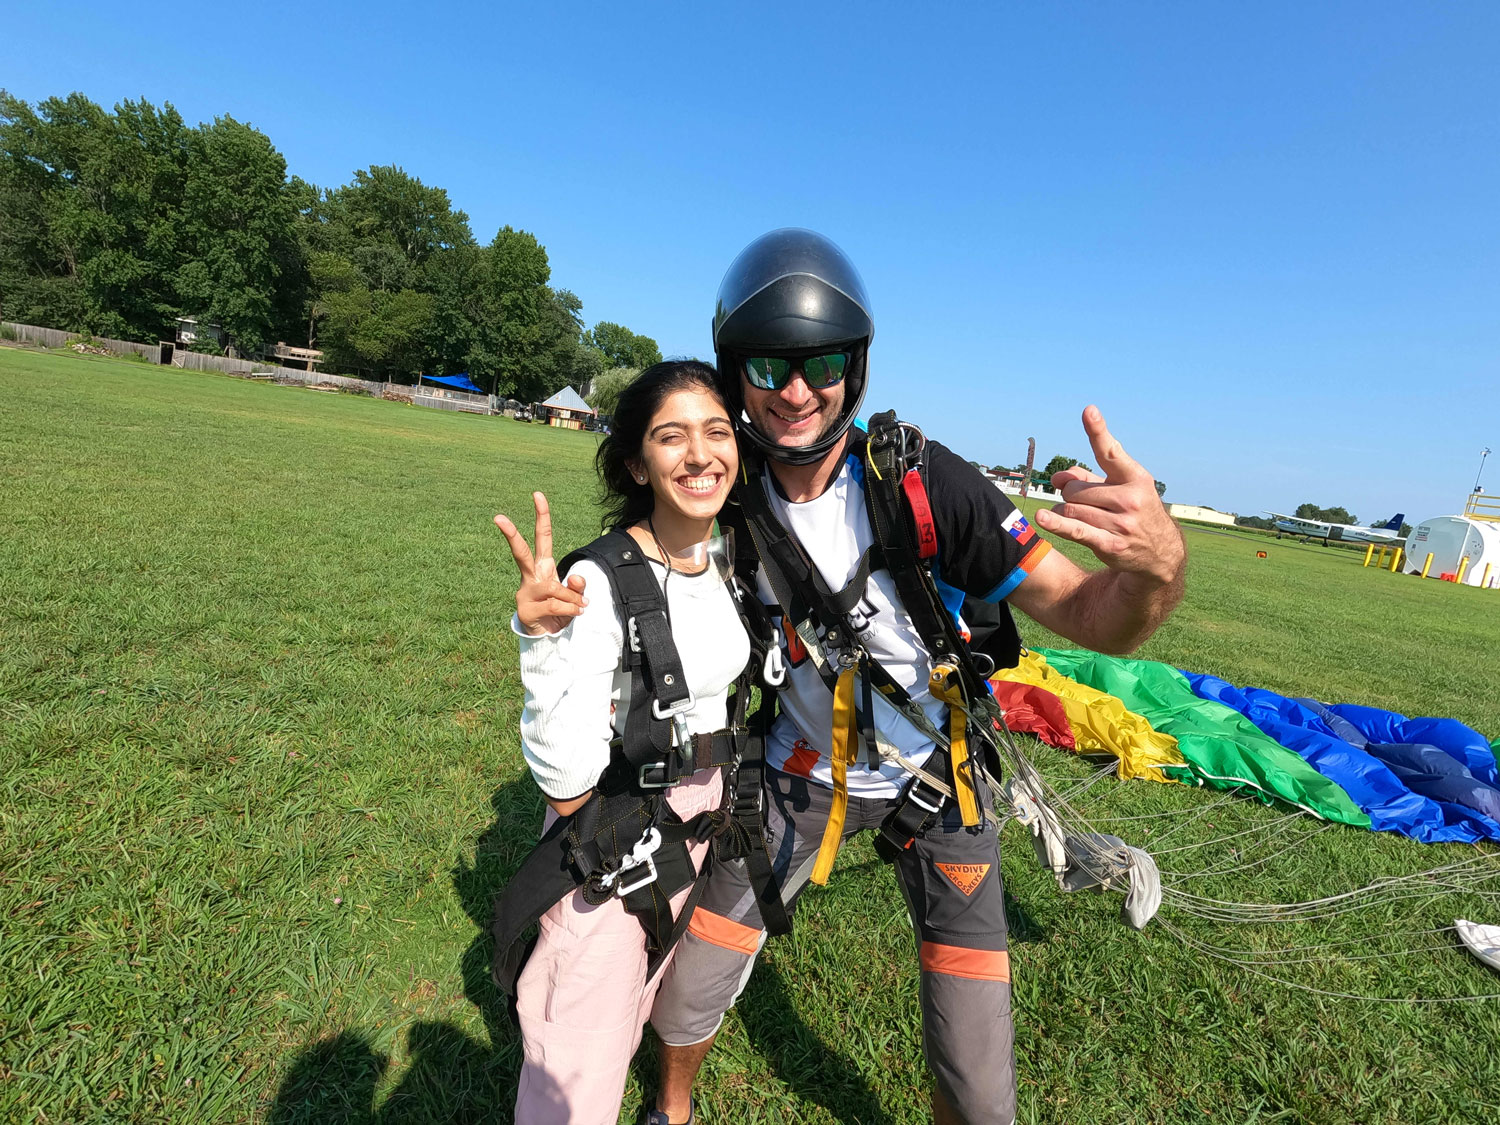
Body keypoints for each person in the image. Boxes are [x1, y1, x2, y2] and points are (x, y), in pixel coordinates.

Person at [641, 229, 1188, 1125]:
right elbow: (638, 565)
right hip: (798, 772)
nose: (795, 390)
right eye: (769, 364)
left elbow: (1090, 614)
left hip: (939, 783)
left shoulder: (928, 483)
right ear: (736, 371)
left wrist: (1160, 568)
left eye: (819, 362)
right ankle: (672, 1105)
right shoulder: (722, 489)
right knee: (691, 982)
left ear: (852, 366)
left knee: (979, 1090)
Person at [492, 360, 775, 1125]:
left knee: (639, 1001)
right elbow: (566, 777)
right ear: (635, 461)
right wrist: (544, 642)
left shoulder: (726, 561)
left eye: (717, 432)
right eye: (670, 436)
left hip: (697, 829)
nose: (700, 453)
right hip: (614, 844)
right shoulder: (600, 579)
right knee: (580, 1058)